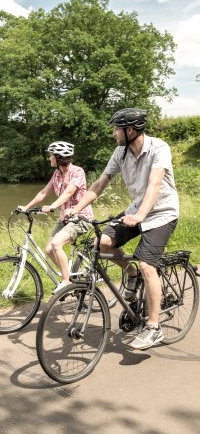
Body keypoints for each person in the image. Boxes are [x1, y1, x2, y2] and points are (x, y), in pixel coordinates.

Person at [65, 108, 179, 350]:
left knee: (148, 264)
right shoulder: (120, 152)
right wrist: (78, 208)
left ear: (129, 130)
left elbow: (154, 184)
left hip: (162, 214)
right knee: (102, 244)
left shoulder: (159, 148)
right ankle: (131, 273)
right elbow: (100, 183)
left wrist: (140, 215)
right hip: (135, 212)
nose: (114, 133)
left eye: (116, 129)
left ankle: (153, 327)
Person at [18, 141, 94, 294]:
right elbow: (44, 192)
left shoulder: (77, 172)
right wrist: (26, 207)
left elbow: (69, 193)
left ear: (59, 157)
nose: (49, 158)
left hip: (81, 217)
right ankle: (70, 277)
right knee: (49, 249)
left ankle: (66, 283)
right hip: (65, 219)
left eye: (51, 155)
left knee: (57, 244)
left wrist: (52, 206)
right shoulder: (57, 174)